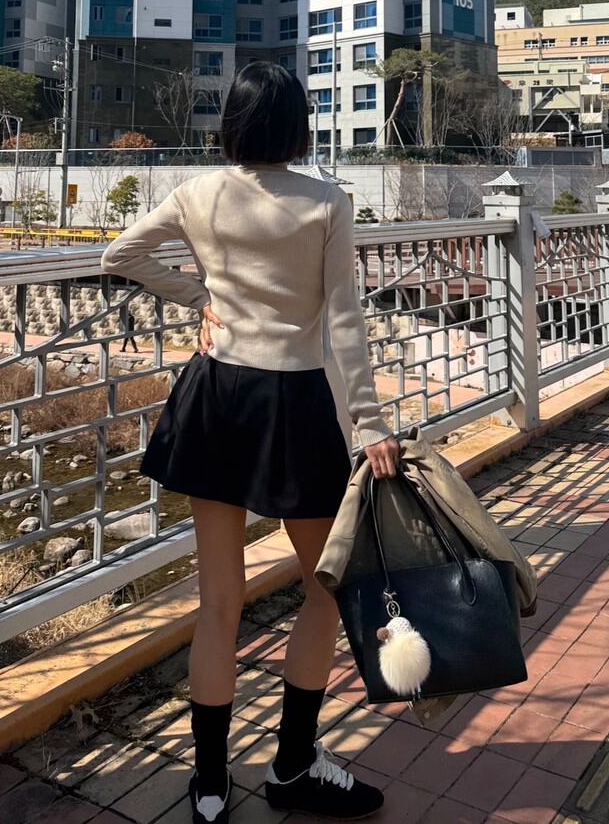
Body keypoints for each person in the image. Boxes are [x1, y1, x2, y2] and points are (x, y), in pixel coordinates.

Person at [101, 63, 400, 824]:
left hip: (216, 395)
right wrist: (368, 423)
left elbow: (120, 256)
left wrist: (201, 298)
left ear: (231, 123)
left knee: (219, 604)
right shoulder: (327, 202)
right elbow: (344, 321)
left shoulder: (198, 192)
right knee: (327, 586)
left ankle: (209, 783)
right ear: (299, 125)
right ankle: (293, 766)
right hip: (294, 403)